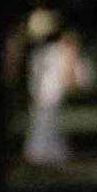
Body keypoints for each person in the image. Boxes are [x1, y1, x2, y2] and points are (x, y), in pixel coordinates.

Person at [19, 10, 87, 168]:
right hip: (46, 98)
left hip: (50, 98)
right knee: (45, 125)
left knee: (47, 126)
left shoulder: (55, 51)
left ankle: (47, 156)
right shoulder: (41, 53)